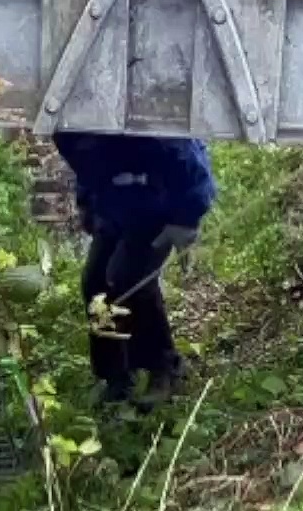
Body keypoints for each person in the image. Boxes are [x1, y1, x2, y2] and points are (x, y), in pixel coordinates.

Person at [51, 131, 217, 406]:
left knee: (130, 279)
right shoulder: (71, 126)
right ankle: (115, 376)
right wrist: (88, 207)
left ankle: (165, 368)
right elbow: (87, 167)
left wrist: (188, 218)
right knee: (96, 285)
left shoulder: (151, 123)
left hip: (159, 205)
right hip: (114, 207)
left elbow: (189, 160)